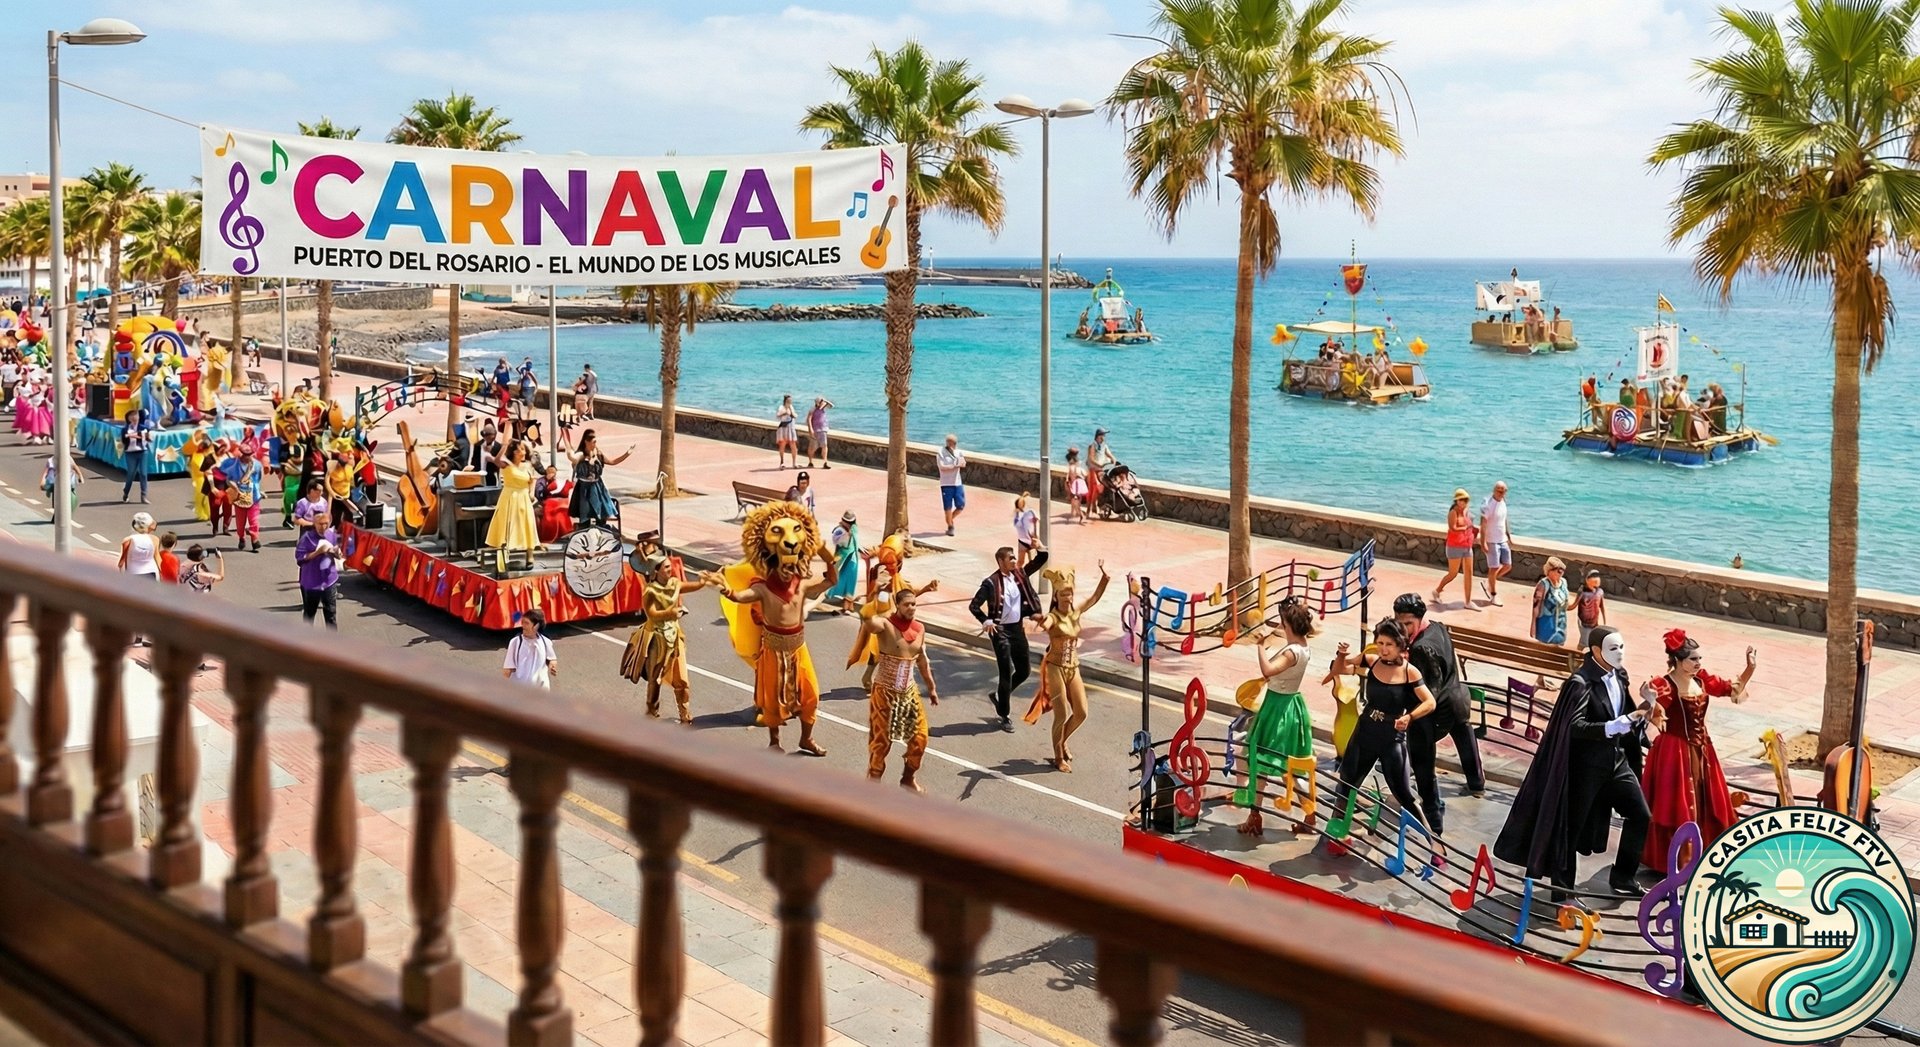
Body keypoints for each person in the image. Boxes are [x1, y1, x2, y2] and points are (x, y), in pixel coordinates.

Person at [1494, 626, 1658, 899]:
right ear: (1596, 651)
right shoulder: (1580, 682)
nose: (1620, 653)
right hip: (1583, 768)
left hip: (1615, 762)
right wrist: (1614, 725)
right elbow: (1574, 726)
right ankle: (1562, 894)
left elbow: (1627, 717)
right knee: (1569, 830)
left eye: (1621, 647)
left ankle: (1623, 876)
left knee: (1640, 815)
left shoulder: (1620, 676)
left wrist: (1646, 706)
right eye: (1613, 648)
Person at [705, 517, 840, 756]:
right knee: (771, 701)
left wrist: (829, 558)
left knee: (812, 695)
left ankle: (806, 739)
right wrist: (724, 587)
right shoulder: (763, 588)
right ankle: (774, 743)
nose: (789, 571)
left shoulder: (803, 584)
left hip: (799, 649)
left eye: (792, 566)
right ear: (774, 566)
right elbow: (739, 597)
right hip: (773, 650)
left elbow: (831, 581)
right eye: (784, 567)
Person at [1641, 631, 1756, 873]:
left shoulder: (1701, 680)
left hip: (1702, 747)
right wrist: (1651, 703)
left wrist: (1749, 668)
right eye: (1693, 659)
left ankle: (1703, 852)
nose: (1698, 664)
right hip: (1675, 750)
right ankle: (1677, 859)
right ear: (1678, 660)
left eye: (1699, 659)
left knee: (1707, 798)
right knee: (1678, 804)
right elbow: (1655, 713)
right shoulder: (1664, 684)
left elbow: (1730, 689)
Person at [1328, 621, 1438, 856]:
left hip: (1391, 737)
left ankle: (1433, 843)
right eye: (1380, 643)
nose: (1384, 649)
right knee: (1347, 782)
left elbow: (1430, 702)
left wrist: (1410, 717)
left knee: (1403, 794)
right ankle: (1337, 833)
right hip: (1365, 731)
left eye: (1389, 644)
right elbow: (1340, 669)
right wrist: (1342, 654)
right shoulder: (1370, 660)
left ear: (1400, 645)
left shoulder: (1410, 672)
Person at [1395, 594, 1487, 837]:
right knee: (1466, 741)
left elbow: (1428, 690)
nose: (1403, 629)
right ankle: (1477, 784)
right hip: (1458, 695)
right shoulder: (1437, 627)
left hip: (1438, 708)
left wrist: (1412, 713)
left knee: (1423, 760)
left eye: (1408, 624)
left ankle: (1432, 813)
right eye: (1400, 623)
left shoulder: (1421, 648)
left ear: (1419, 619)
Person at [1231, 598, 1318, 836]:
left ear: (1287, 624)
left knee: (1261, 761)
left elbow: (1268, 671)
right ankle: (1308, 816)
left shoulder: (1291, 652)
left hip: (1278, 709)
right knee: (1286, 766)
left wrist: (1260, 647)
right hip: (1292, 704)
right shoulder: (1303, 645)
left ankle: (1254, 815)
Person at [1025, 562, 1110, 773]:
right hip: (1055, 667)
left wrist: (1104, 578)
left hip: (1074, 666)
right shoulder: (1054, 616)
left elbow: (1094, 598)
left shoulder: (1076, 612)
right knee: (1061, 715)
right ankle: (1057, 756)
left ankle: (1063, 740)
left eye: (1070, 594)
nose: (1068, 598)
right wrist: (1040, 620)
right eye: (1063, 594)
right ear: (1056, 596)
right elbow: (1046, 623)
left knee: (1081, 712)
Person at [852, 586, 940, 791]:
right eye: (907, 604)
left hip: (909, 694)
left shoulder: (920, 629)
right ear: (898, 605)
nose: (911, 608)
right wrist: (878, 596)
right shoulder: (885, 625)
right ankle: (873, 783)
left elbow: (923, 661)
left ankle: (907, 779)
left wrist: (932, 688)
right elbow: (867, 618)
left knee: (920, 738)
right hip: (884, 693)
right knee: (881, 742)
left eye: (914, 604)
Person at [967, 544, 1048, 732]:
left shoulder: (1019, 575)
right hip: (1000, 631)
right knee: (1006, 672)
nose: (1014, 560)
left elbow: (1040, 560)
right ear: (1000, 561)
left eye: (1014, 557)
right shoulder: (990, 583)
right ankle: (1004, 715)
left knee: (1024, 671)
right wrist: (985, 620)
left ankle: (999, 696)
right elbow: (974, 606)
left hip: (1017, 629)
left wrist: (1040, 547)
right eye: (1010, 558)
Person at [620, 557, 708, 721]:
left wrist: (703, 581)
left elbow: (692, 586)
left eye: (670, 567)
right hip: (657, 638)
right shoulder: (650, 592)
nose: (670, 569)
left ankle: (684, 712)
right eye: (666, 567)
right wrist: (670, 613)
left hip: (674, 636)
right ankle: (652, 710)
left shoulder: (675, 583)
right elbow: (651, 614)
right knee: (655, 678)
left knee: (682, 677)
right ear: (656, 570)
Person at [486, 440, 543, 556]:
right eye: (521, 449)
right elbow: (497, 460)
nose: (523, 452)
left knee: (527, 523)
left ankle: (530, 555)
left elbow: (532, 480)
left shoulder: (527, 465)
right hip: (509, 497)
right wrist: (505, 445)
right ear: (514, 452)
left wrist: (531, 493)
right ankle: (502, 553)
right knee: (506, 524)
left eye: (523, 449)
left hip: (524, 497)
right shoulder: (506, 464)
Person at [567, 429, 630, 529]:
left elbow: (612, 462)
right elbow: (573, 458)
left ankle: (601, 530)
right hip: (584, 488)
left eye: (596, 442)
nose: (595, 444)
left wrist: (627, 454)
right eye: (593, 442)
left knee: (601, 512)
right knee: (585, 513)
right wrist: (567, 445)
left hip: (597, 486)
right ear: (586, 442)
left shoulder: (599, 454)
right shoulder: (581, 455)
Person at [1431, 489, 1476, 610]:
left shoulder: (1467, 512)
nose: (1464, 502)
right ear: (1457, 501)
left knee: (1469, 573)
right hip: (1454, 546)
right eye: (1461, 500)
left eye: (1466, 500)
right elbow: (1453, 528)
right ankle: (1437, 590)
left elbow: (1471, 525)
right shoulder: (1453, 512)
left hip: (1467, 545)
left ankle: (1468, 601)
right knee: (1453, 574)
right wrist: (1466, 527)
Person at [296, 521, 344, 628]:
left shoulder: (331, 535)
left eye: (326, 523)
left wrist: (336, 552)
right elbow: (300, 560)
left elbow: (339, 554)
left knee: (331, 613)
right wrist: (319, 552)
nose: (323, 527)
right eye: (320, 523)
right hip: (311, 581)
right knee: (309, 614)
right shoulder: (306, 539)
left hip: (329, 580)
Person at [503, 609, 557, 688]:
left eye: (527, 623)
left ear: (536, 626)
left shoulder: (546, 642)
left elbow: (552, 658)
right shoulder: (516, 642)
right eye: (523, 622)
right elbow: (508, 668)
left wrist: (553, 665)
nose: (523, 626)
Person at [1479, 481, 1512, 605]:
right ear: (1494, 490)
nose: (1501, 493)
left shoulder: (1503, 502)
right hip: (1492, 540)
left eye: (1503, 491)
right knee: (1494, 568)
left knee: (1508, 565)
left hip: (1502, 539)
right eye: (1499, 490)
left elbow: (1505, 519)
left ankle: (1488, 582)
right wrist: (1483, 543)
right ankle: (1493, 595)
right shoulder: (1488, 503)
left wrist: (1508, 535)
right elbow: (1483, 524)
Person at [822, 511, 860, 611]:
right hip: (842, 555)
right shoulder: (839, 530)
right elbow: (836, 541)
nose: (849, 524)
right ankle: (832, 593)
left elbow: (856, 541)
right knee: (836, 576)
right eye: (847, 522)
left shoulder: (854, 528)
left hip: (853, 556)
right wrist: (846, 535)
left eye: (851, 522)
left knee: (851, 577)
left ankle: (848, 601)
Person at [1531, 556, 1572, 646]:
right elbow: (1536, 606)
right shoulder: (1543, 584)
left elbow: (1567, 604)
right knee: (1545, 646)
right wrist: (1533, 626)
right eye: (1558, 570)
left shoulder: (1564, 582)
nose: (1561, 573)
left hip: (1561, 623)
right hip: (1547, 623)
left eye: (1562, 570)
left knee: (1559, 646)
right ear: (1550, 571)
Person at [231, 446, 264, 553]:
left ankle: (254, 539)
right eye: (245, 454)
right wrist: (236, 486)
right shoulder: (234, 466)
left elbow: (259, 478)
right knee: (240, 522)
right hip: (239, 497)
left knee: (254, 519)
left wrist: (257, 489)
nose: (247, 457)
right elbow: (230, 480)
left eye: (249, 454)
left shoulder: (257, 464)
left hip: (254, 496)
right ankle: (241, 537)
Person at [121, 408, 155, 503]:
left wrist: (148, 437)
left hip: (142, 452)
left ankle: (143, 496)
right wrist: (128, 437)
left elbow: (150, 439)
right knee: (131, 474)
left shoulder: (144, 428)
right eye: (132, 416)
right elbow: (124, 441)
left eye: (136, 415)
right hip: (130, 453)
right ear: (128, 418)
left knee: (143, 474)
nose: (134, 417)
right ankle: (126, 492)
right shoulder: (125, 429)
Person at [937, 434, 967, 537]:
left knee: (961, 505)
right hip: (946, 484)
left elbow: (963, 463)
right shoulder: (941, 453)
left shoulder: (958, 452)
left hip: (957, 483)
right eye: (950, 442)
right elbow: (942, 467)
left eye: (954, 443)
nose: (952, 445)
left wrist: (961, 464)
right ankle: (950, 526)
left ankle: (950, 519)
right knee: (948, 508)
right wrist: (954, 466)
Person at [118, 512, 159, 580]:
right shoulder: (154, 539)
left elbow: (122, 561)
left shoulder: (128, 540)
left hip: (133, 573)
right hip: (150, 572)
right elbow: (158, 559)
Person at [1575, 570, 1608, 649]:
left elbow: (1602, 607)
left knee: (1591, 642)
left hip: (1594, 622)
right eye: (1593, 577)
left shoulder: (1600, 592)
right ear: (1587, 580)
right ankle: (1579, 655)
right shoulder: (1582, 592)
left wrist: (1604, 622)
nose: (1596, 579)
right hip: (1584, 622)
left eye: (1597, 576)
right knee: (1584, 642)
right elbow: (1574, 605)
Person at [1087, 428, 1116, 508]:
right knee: (1095, 488)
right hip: (1094, 469)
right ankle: (1092, 506)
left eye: (1104, 435)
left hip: (1102, 469)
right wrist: (1100, 465)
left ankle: (1094, 505)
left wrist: (1113, 460)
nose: (1104, 437)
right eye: (1102, 435)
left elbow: (1109, 454)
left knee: (1099, 488)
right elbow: (1091, 458)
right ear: (1098, 436)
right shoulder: (1093, 445)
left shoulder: (1104, 445)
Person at [1012, 493, 1041, 570]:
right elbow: (1018, 526)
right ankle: (1015, 575)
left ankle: (1026, 577)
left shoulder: (1030, 512)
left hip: (1031, 541)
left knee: (1032, 563)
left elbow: (1037, 521)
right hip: (1023, 541)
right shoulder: (1017, 515)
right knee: (1020, 562)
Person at [806, 397, 833, 469]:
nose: (821, 403)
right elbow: (808, 419)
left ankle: (825, 462)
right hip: (815, 430)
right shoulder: (812, 409)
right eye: (820, 401)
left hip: (823, 429)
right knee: (813, 447)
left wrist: (825, 400)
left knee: (824, 445)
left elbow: (831, 406)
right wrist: (810, 429)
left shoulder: (823, 408)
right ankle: (810, 461)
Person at [1064, 447, 1089, 523]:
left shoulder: (1071, 468)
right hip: (1082, 484)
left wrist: (1069, 486)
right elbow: (1085, 475)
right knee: (1078, 499)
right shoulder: (1080, 468)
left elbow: (1071, 478)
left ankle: (1078, 512)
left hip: (1076, 484)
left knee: (1074, 499)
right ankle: (1077, 512)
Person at [775, 394, 799, 469]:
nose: (790, 402)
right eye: (788, 400)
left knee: (793, 446)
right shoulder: (781, 407)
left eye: (791, 400)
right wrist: (785, 412)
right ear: (785, 401)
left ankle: (794, 463)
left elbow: (795, 416)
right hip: (784, 428)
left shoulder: (792, 407)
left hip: (791, 428)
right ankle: (782, 462)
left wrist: (791, 412)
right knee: (782, 445)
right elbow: (778, 415)